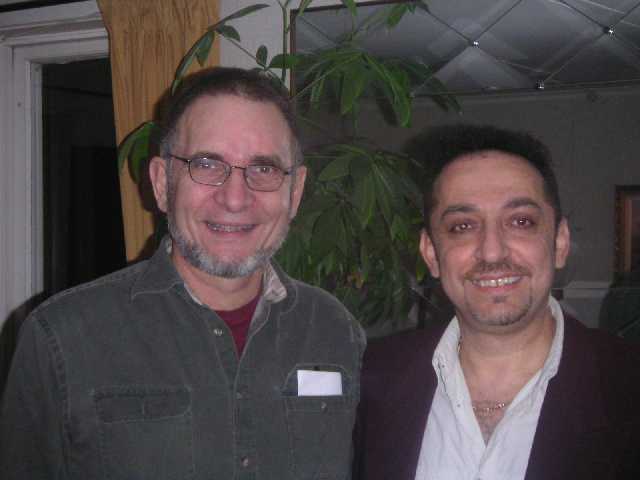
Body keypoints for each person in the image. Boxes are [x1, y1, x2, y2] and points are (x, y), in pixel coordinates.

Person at [0, 67, 365, 480]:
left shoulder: (336, 331)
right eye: (207, 164)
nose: (234, 199)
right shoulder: (60, 339)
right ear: (161, 183)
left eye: (263, 169)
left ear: (295, 193)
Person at [354, 124, 640, 480]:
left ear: (560, 242)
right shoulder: (369, 382)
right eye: (462, 226)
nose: (492, 251)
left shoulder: (627, 385)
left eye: (520, 221)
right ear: (430, 254)